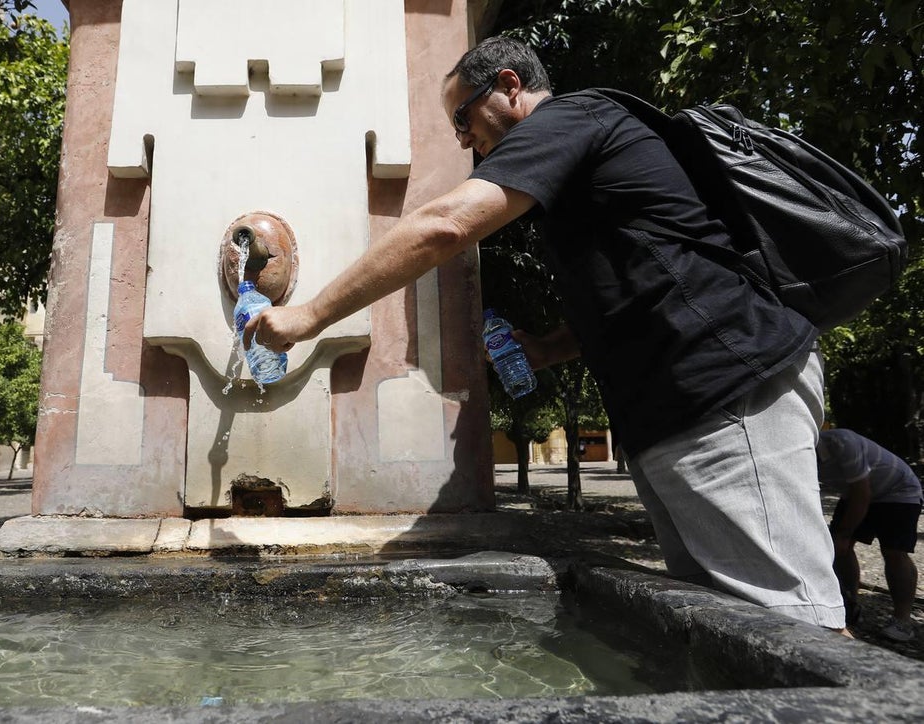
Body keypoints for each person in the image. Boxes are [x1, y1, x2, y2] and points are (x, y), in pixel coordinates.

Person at [245, 36, 845, 629]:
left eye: (462, 115)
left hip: (724, 382)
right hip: (679, 407)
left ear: (510, 86)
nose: (460, 138)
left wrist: (309, 316)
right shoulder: (575, 174)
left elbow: (444, 227)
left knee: (794, 624)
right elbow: (640, 283)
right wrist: (547, 348)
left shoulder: (572, 117)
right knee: (731, 628)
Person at [816, 428, 921, 641]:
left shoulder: (841, 442)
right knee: (839, 548)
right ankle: (849, 605)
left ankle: (902, 620)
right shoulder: (795, 454)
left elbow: (862, 494)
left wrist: (845, 534)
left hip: (898, 490)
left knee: (894, 551)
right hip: (855, 491)